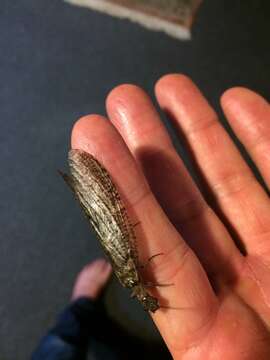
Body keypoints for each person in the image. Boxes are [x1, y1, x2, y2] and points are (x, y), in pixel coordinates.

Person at [33, 74, 270, 359]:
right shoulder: (139, 277)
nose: (149, 298)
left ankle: (81, 305)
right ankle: (81, 305)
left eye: (146, 299)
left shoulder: (138, 278)